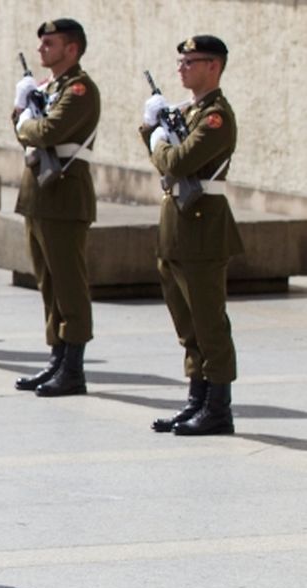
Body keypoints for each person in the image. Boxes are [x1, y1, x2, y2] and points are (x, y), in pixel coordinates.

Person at [140, 36, 241, 436]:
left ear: (213, 66)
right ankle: (196, 399)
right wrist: (153, 128)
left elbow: (179, 162)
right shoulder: (191, 111)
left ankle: (218, 407)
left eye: (190, 61)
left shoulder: (216, 116)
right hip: (178, 228)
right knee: (187, 323)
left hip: (202, 228)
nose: (181, 67)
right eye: (179, 61)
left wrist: (157, 138)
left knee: (208, 321)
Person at [11, 18, 99, 396]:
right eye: (41, 43)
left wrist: (27, 119)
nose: (42, 49)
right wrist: (25, 114)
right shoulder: (50, 87)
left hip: (64, 195)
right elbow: (23, 128)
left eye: (50, 44)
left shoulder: (79, 89)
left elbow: (47, 132)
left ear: (72, 49)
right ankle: (57, 358)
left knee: (68, 283)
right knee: (48, 282)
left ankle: (74, 366)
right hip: (40, 195)